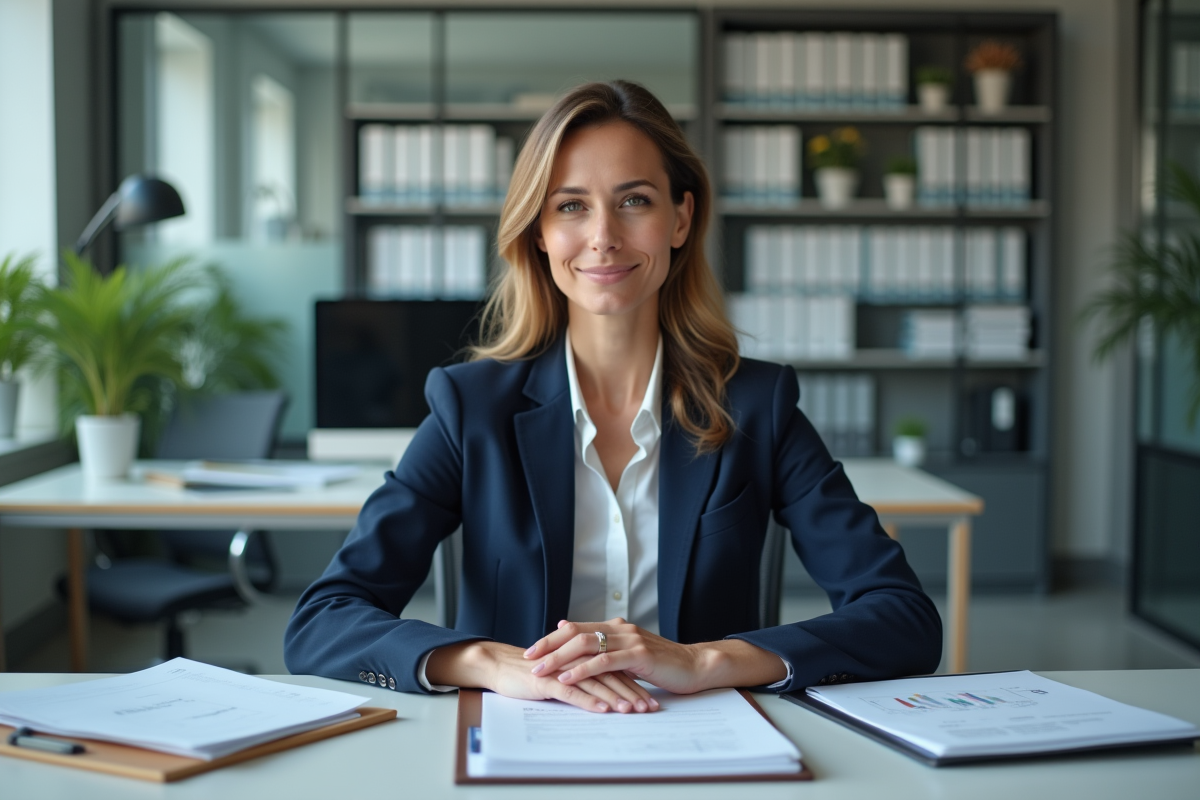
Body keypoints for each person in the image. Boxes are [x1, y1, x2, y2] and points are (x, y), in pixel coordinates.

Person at [284, 80, 941, 714]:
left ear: (681, 218)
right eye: (571, 205)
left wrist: (703, 662)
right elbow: (321, 621)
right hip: (518, 742)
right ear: (538, 232)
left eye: (634, 201)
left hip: (706, 745)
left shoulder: (756, 405)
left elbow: (904, 618)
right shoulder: (469, 407)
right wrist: (490, 662)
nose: (603, 235)